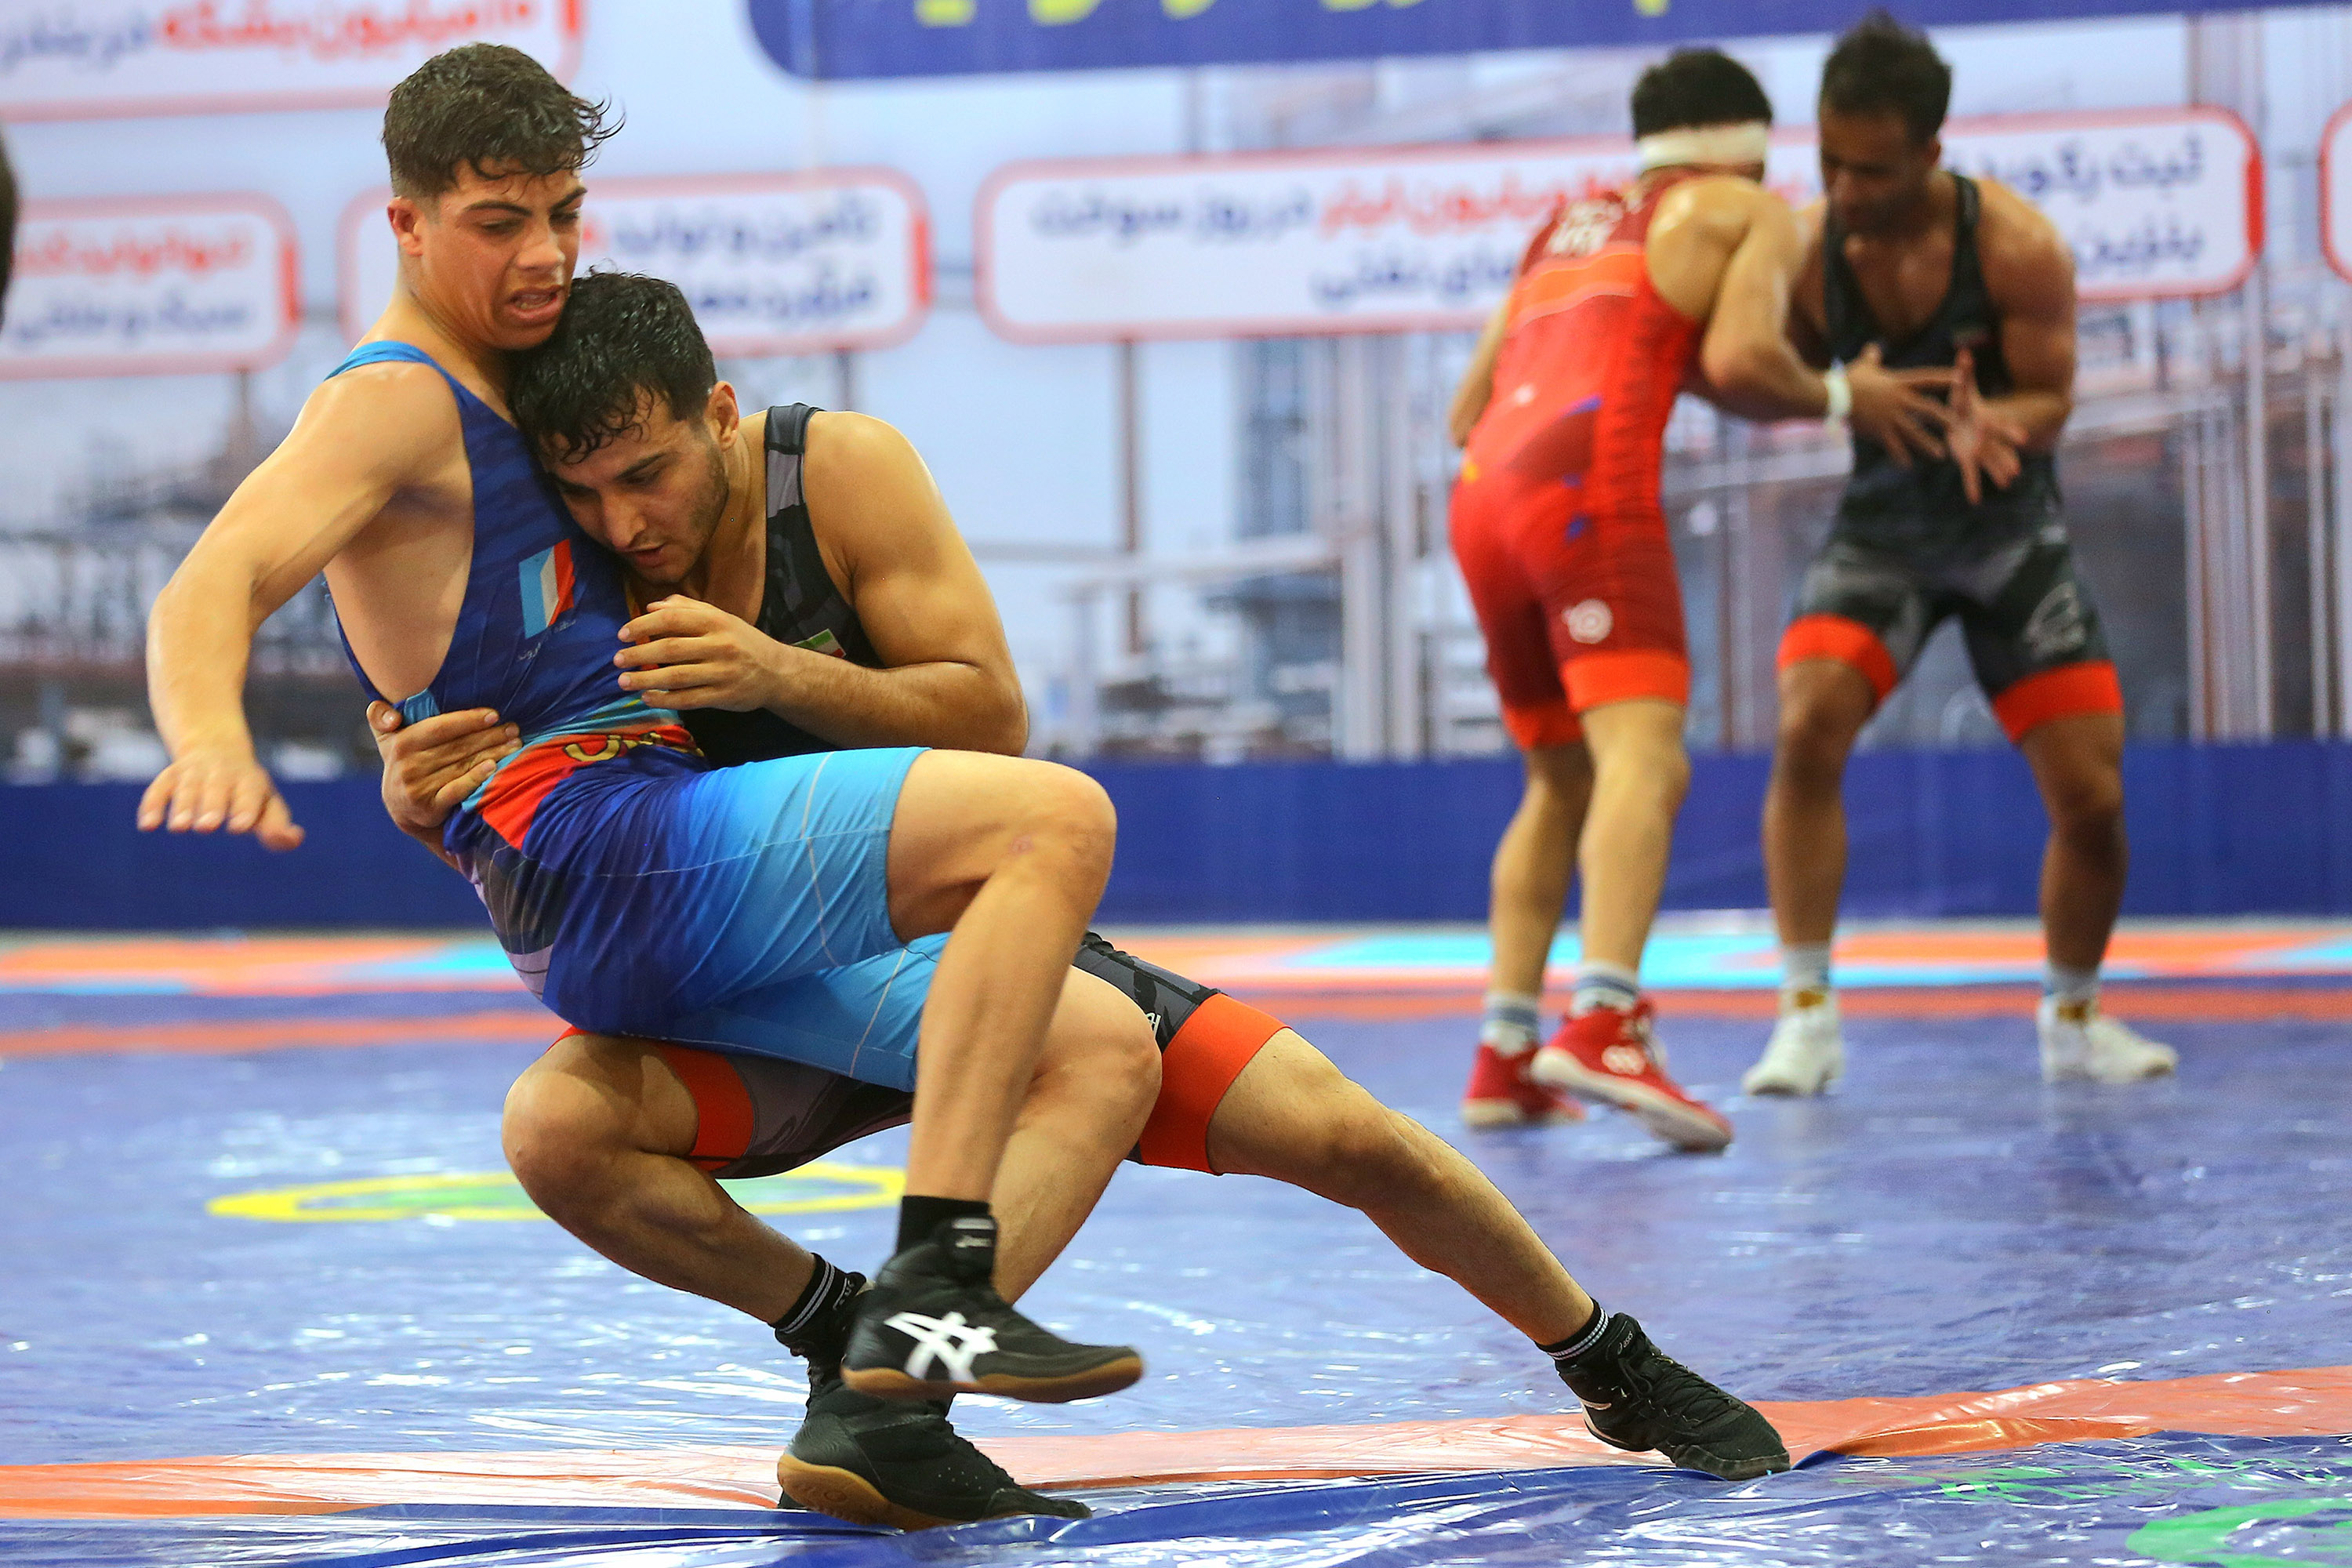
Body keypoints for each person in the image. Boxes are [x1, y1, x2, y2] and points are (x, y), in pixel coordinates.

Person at [372, 269, 1796, 1527]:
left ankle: (1608, 1359)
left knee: (1347, 1136)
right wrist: (419, 794)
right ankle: (852, 1347)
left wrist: (778, 673)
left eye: (648, 476)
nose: (627, 521)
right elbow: (522, 818)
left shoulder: (834, 474)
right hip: (780, 995)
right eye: (588, 493)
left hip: (965, 949)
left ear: (722, 416)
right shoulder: (565, 569)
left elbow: (993, 719)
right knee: (557, 1129)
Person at [136, 43, 1149, 1436]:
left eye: (564, 214)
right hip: (609, 846)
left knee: (1099, 1042)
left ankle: (861, 1368)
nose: (545, 256)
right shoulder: (392, 399)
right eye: (501, 223)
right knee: (1054, 818)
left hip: (602, 875)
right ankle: (942, 1285)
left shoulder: (525, 382)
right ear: (407, 224)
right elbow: (217, 577)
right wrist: (209, 737)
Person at [1445, 49, 1942, 1147]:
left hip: (1480, 500)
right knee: (1646, 758)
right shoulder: (1747, 209)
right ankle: (1607, 1019)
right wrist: (1843, 392)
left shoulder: (1567, 226)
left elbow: (1466, 404)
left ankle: (1504, 1050)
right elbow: (1750, 357)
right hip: (1585, 491)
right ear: (1752, 147)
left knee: (1557, 777)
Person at [1742, 13, 2177, 1097]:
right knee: (1805, 726)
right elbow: (1752, 373)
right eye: (1829, 160)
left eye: (1871, 169)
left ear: (1931, 152)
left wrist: (2001, 422)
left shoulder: (2017, 247)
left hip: (2005, 531)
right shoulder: (1805, 254)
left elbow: (2053, 397)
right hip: (1882, 531)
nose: (1843, 188)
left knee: (2093, 797)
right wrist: (1838, 392)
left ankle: (2074, 1019)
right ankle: (1805, 1018)